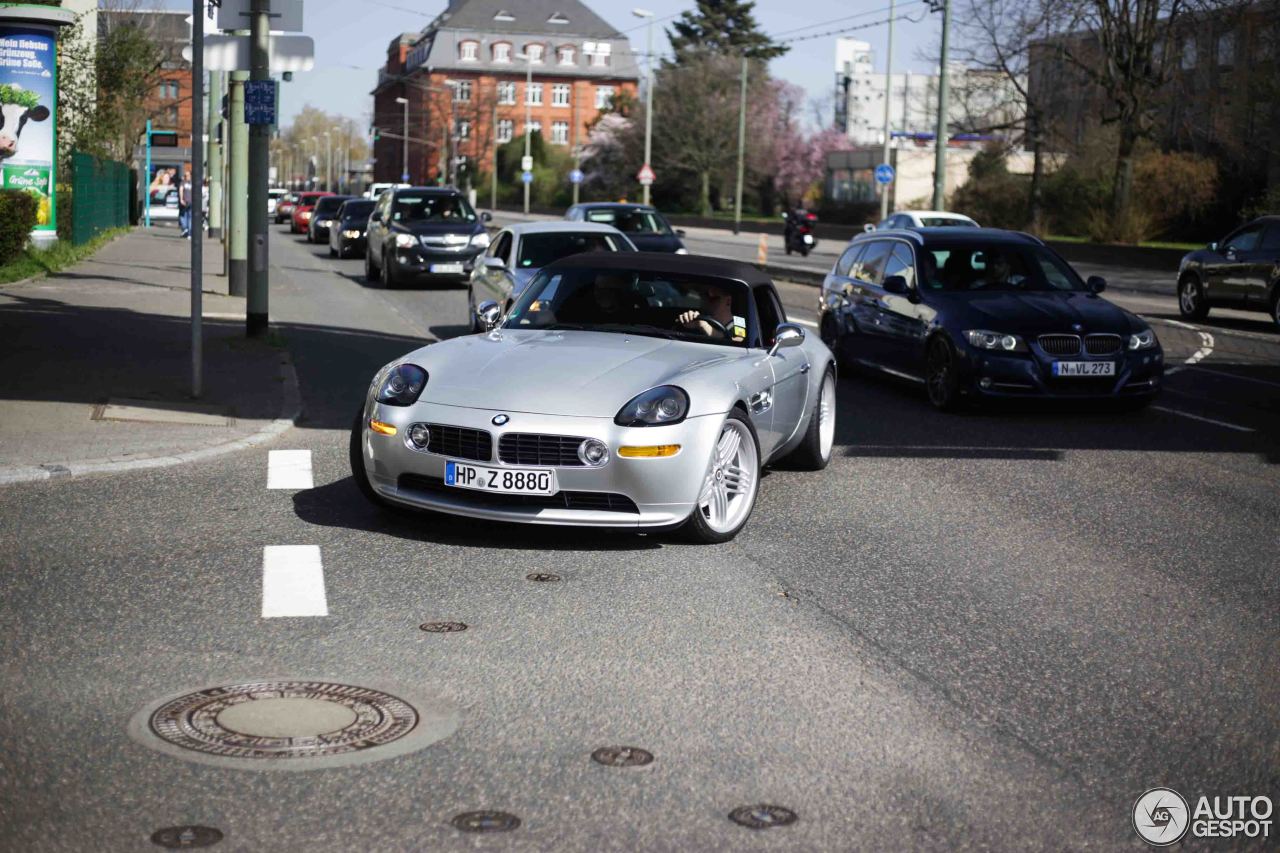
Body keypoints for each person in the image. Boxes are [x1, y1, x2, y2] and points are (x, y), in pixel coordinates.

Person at [177, 170, 192, 238]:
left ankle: (188, 232)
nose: (186, 177)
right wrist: (181, 199)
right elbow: (181, 190)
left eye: (188, 175)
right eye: (185, 175)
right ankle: (186, 229)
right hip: (184, 201)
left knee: (189, 217)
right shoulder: (183, 182)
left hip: (191, 202)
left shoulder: (192, 182)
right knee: (183, 216)